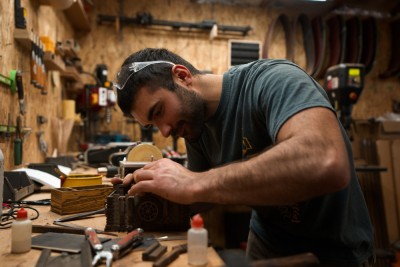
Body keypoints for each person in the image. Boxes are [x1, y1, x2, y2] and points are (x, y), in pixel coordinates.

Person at [111, 48, 374, 266]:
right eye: (153, 125)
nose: (165, 131)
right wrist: (149, 191)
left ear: (182, 77)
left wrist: (191, 183)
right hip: (267, 240)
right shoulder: (194, 125)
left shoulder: (274, 79)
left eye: (159, 111)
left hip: (334, 249)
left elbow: (325, 160)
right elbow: (199, 195)